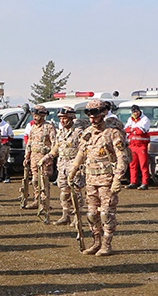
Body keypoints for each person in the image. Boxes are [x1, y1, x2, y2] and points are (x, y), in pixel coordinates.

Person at [69, 100, 129, 256]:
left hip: (107, 180)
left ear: (103, 114)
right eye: (89, 115)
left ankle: (107, 244)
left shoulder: (112, 132)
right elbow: (81, 152)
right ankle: (96, 242)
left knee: (106, 213)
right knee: (92, 214)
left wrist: (117, 179)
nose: (92, 119)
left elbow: (122, 157)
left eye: (95, 115)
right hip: (91, 179)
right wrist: (73, 169)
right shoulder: (88, 132)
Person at [22, 106, 57, 221]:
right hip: (34, 157)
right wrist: (27, 156)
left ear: (43, 115)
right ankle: (37, 200)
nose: (35, 118)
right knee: (35, 180)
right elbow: (30, 143)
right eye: (34, 115)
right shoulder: (33, 128)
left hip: (44, 158)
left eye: (37, 115)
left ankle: (45, 203)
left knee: (44, 181)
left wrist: (50, 158)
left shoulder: (48, 127)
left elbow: (54, 144)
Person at [53, 107, 85, 227]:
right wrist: (49, 156)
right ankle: (65, 215)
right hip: (62, 166)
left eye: (65, 118)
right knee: (64, 192)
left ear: (72, 118)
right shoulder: (61, 132)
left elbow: (84, 150)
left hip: (74, 166)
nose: (62, 121)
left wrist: (78, 166)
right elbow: (57, 146)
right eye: (61, 118)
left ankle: (77, 217)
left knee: (76, 192)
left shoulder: (79, 132)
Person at [125, 105, 151, 190]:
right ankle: (133, 182)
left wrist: (132, 130)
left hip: (141, 145)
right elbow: (126, 129)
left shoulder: (145, 119)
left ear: (139, 111)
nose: (135, 113)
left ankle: (145, 183)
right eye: (134, 112)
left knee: (143, 165)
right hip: (132, 145)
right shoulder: (130, 119)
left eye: (136, 111)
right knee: (132, 165)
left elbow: (141, 131)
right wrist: (134, 129)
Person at [0, 115, 14, 183]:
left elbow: (11, 136)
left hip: (4, 145)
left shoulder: (6, 126)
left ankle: (7, 177)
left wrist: (5, 141)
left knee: (4, 161)